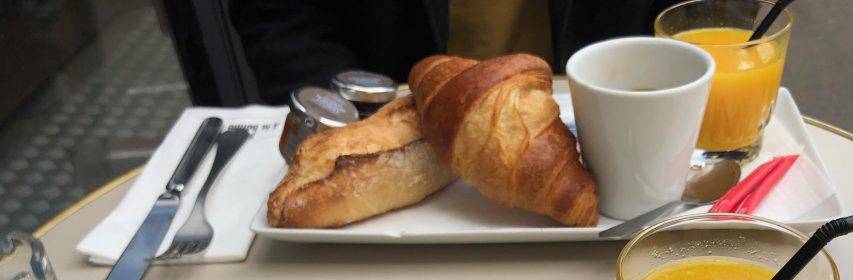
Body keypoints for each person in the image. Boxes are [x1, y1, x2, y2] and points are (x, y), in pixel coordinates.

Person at [229, 0, 681, 103]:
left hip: (619, 122)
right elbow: (281, 17)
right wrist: (342, 115)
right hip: (389, 114)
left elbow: (699, 20)